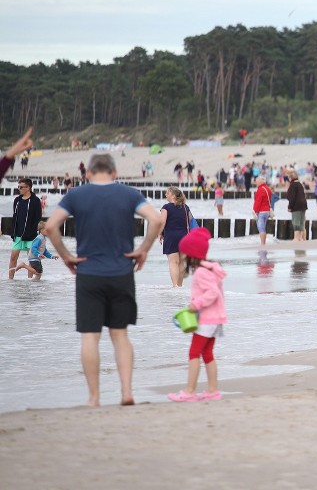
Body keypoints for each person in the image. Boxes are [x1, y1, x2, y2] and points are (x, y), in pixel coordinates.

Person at [45, 153, 163, 407]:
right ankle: (127, 392)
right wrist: (143, 249)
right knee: (120, 335)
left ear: (87, 173)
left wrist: (66, 256)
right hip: (122, 272)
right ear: (114, 173)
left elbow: (51, 226)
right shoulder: (129, 194)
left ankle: (94, 398)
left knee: (90, 337)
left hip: (88, 273)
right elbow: (155, 219)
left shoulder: (76, 195)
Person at [168, 228, 227, 402]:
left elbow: (213, 292)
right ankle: (213, 391)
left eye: (185, 253)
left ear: (192, 253)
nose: (183, 256)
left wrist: (196, 304)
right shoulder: (209, 269)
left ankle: (189, 391)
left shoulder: (201, 272)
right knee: (207, 353)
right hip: (215, 319)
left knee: (194, 353)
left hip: (207, 319)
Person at [8, 177, 42, 279]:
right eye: (19, 186)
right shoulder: (17, 200)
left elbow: (38, 218)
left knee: (31, 260)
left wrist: (34, 232)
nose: (19, 189)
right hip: (18, 234)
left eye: (21, 187)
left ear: (28, 188)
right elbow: (15, 216)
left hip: (31, 235)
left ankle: (30, 282)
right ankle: (10, 280)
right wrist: (13, 232)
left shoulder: (35, 201)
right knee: (13, 257)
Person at [159, 186, 194, 287]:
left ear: (173, 196)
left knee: (173, 262)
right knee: (181, 262)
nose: (166, 194)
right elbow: (191, 221)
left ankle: (175, 286)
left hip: (171, 236)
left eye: (168, 193)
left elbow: (162, 222)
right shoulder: (185, 207)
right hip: (184, 237)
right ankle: (180, 285)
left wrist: (159, 233)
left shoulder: (166, 207)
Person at [252, 175, 274, 246]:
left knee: (261, 228)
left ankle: (262, 244)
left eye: (257, 181)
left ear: (260, 182)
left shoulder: (260, 189)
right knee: (263, 227)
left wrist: (255, 211)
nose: (256, 183)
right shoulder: (268, 188)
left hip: (261, 211)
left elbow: (258, 202)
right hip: (267, 211)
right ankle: (263, 243)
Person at [286, 172, 307, 241]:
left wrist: (289, 207)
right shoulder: (300, 184)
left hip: (296, 206)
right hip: (303, 205)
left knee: (296, 222)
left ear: (290, 178)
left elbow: (292, 197)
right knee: (301, 222)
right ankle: (300, 238)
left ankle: (296, 238)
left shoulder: (293, 185)